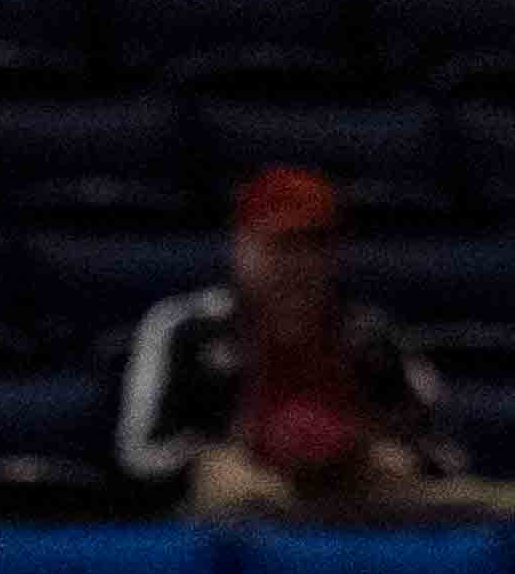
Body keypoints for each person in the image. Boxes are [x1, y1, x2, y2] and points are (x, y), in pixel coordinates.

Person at [113, 164, 479, 522]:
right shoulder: (185, 328)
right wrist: (224, 453)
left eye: (313, 246)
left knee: (512, 505)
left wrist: (378, 449)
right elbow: (138, 455)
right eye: (280, 245)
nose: (297, 263)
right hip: (243, 494)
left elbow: (446, 452)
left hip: (361, 492)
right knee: (239, 490)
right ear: (242, 247)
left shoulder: (370, 332)